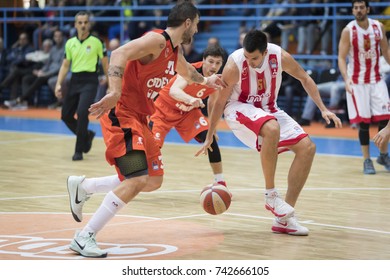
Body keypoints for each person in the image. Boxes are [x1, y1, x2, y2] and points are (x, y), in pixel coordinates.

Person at [66, 1, 224, 258]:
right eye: (195, 24)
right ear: (187, 22)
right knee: (136, 178)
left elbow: (191, 75)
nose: (196, 30)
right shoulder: (157, 41)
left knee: (152, 180)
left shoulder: (174, 54)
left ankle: (85, 187)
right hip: (122, 115)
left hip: (139, 119)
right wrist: (115, 92)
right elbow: (118, 54)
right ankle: (85, 236)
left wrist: (208, 81)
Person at [196, 29, 341, 236]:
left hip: (268, 109)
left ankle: (285, 219)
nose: (249, 61)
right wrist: (210, 133)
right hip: (237, 109)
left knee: (307, 148)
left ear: (265, 53)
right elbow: (219, 101)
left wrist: (323, 108)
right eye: (247, 56)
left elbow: (305, 79)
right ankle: (271, 194)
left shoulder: (280, 57)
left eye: (254, 58)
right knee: (271, 127)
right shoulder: (235, 64)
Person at [149, 44, 228, 188]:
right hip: (163, 109)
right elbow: (174, 91)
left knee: (210, 140)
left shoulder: (215, 79)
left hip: (187, 113)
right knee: (153, 147)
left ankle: (220, 182)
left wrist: (212, 128)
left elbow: (212, 101)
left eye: (218, 63)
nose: (214, 66)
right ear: (203, 60)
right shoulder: (190, 70)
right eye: (210, 61)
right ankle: (135, 177)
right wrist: (190, 99)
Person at [338, 0, 390, 174]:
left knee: (385, 118)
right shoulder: (348, 31)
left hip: (376, 79)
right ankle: (367, 160)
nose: (358, 10)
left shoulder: (378, 27)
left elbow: (386, 51)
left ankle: (383, 154)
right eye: (355, 8)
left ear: (367, 9)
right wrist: (346, 79)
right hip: (357, 82)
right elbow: (341, 57)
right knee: (364, 123)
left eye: (361, 7)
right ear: (353, 10)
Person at [55, 11, 108, 161]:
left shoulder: (97, 41)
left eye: (86, 22)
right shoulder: (70, 43)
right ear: (75, 24)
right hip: (75, 80)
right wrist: (58, 84)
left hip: (90, 80)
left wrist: (110, 85)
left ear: (89, 24)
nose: (83, 25)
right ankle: (87, 135)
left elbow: (105, 63)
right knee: (65, 115)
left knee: (82, 112)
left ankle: (78, 151)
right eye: (80, 22)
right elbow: (65, 65)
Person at [7, 30, 65, 110]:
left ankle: (20, 100)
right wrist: (41, 71)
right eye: (56, 36)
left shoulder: (65, 49)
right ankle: (25, 102)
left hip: (55, 74)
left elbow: (61, 67)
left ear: (62, 37)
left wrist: (46, 74)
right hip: (46, 74)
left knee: (40, 79)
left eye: (59, 36)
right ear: (54, 38)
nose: (58, 38)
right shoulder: (53, 49)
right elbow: (48, 64)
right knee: (26, 78)